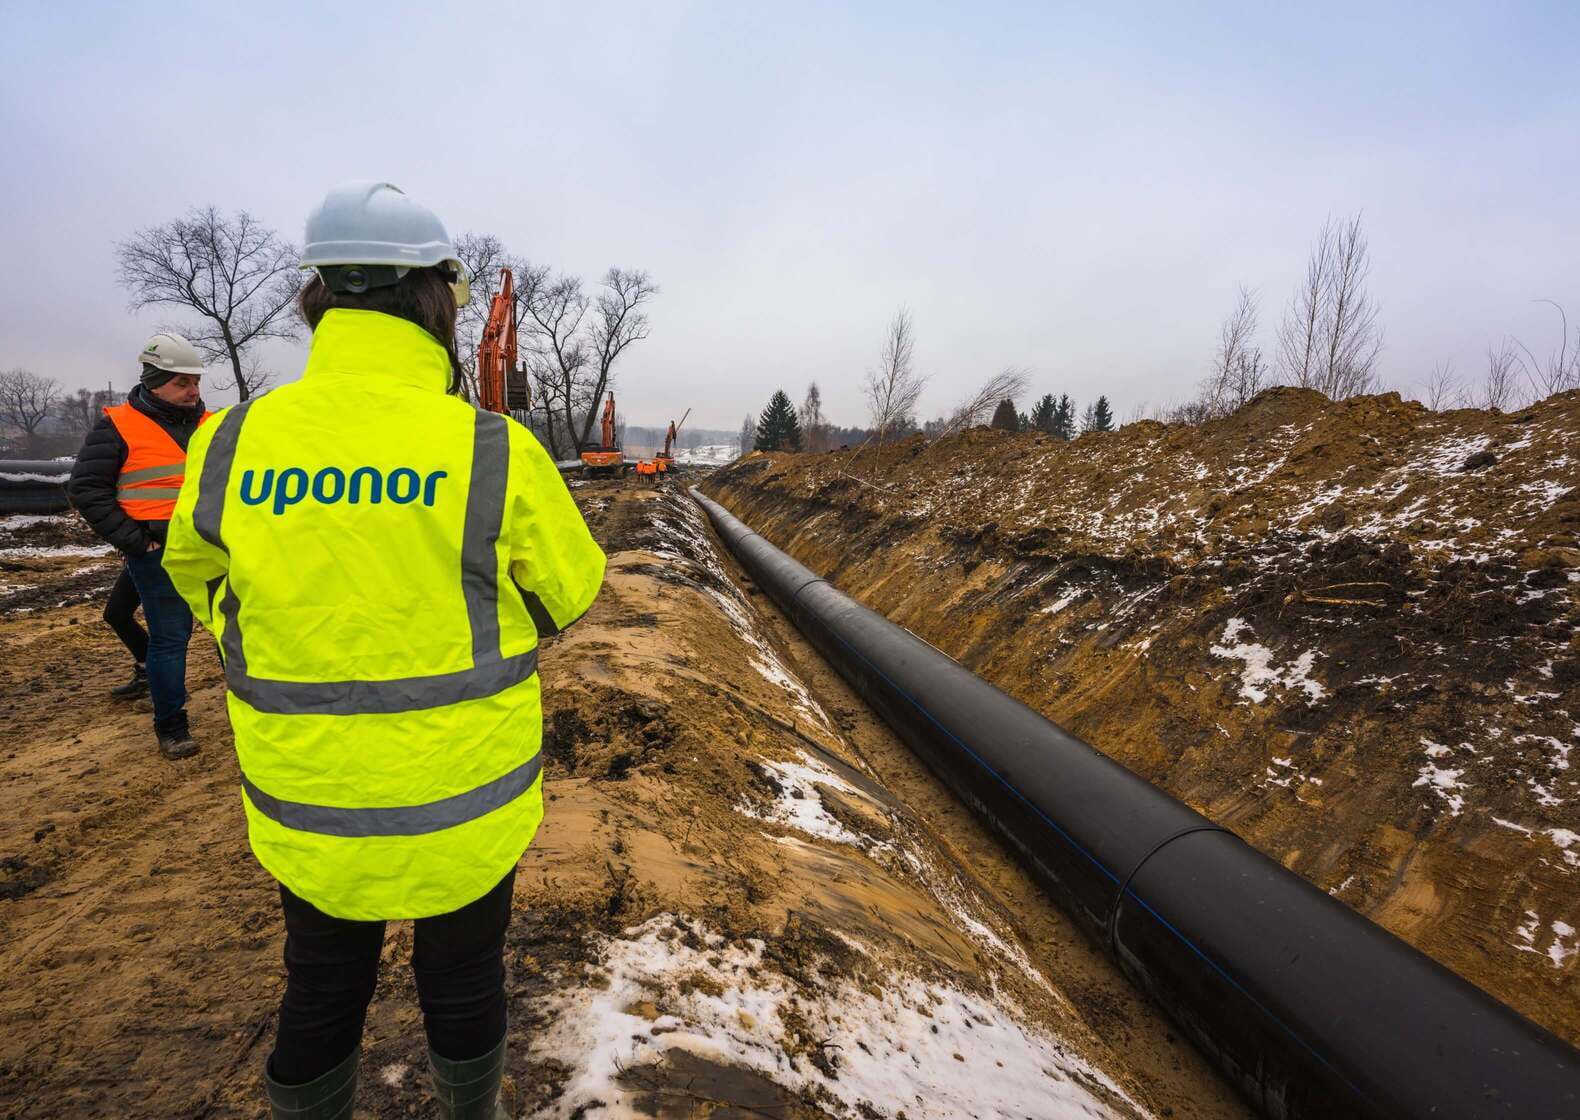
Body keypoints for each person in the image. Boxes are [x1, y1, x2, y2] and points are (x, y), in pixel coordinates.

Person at [163, 181, 605, 1120]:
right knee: (465, 984)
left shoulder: (233, 439)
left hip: (311, 796)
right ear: (439, 300)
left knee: (321, 989)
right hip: (465, 794)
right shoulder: (490, 446)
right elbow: (566, 589)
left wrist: (294, 628)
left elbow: (201, 580)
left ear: (317, 297)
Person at [66, 333, 210, 758]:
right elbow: (86, 489)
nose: (193, 391)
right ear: (154, 382)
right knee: (172, 637)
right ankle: (172, 727)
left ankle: (152, 674)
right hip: (156, 551)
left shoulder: (212, 425)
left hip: (207, 547)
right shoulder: (118, 426)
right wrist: (134, 540)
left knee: (222, 631)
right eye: (182, 383)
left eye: (196, 382)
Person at [104, 566, 149, 698]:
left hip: (160, 561)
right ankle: (148, 674)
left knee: (164, 627)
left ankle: (170, 689)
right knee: (115, 614)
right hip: (136, 560)